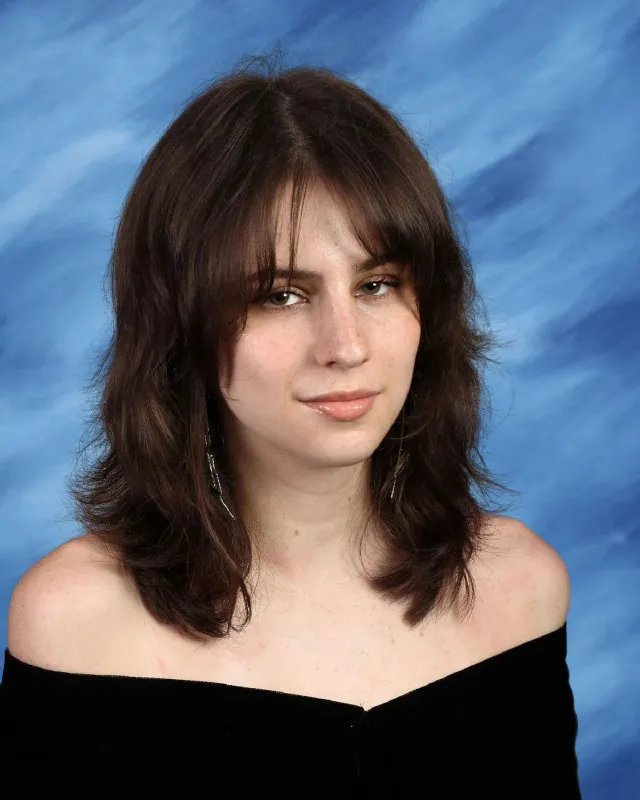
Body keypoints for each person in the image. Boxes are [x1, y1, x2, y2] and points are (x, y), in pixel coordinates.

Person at [0, 48, 581, 795]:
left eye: (377, 284)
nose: (346, 346)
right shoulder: (75, 625)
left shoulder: (519, 589)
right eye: (280, 294)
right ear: (180, 325)